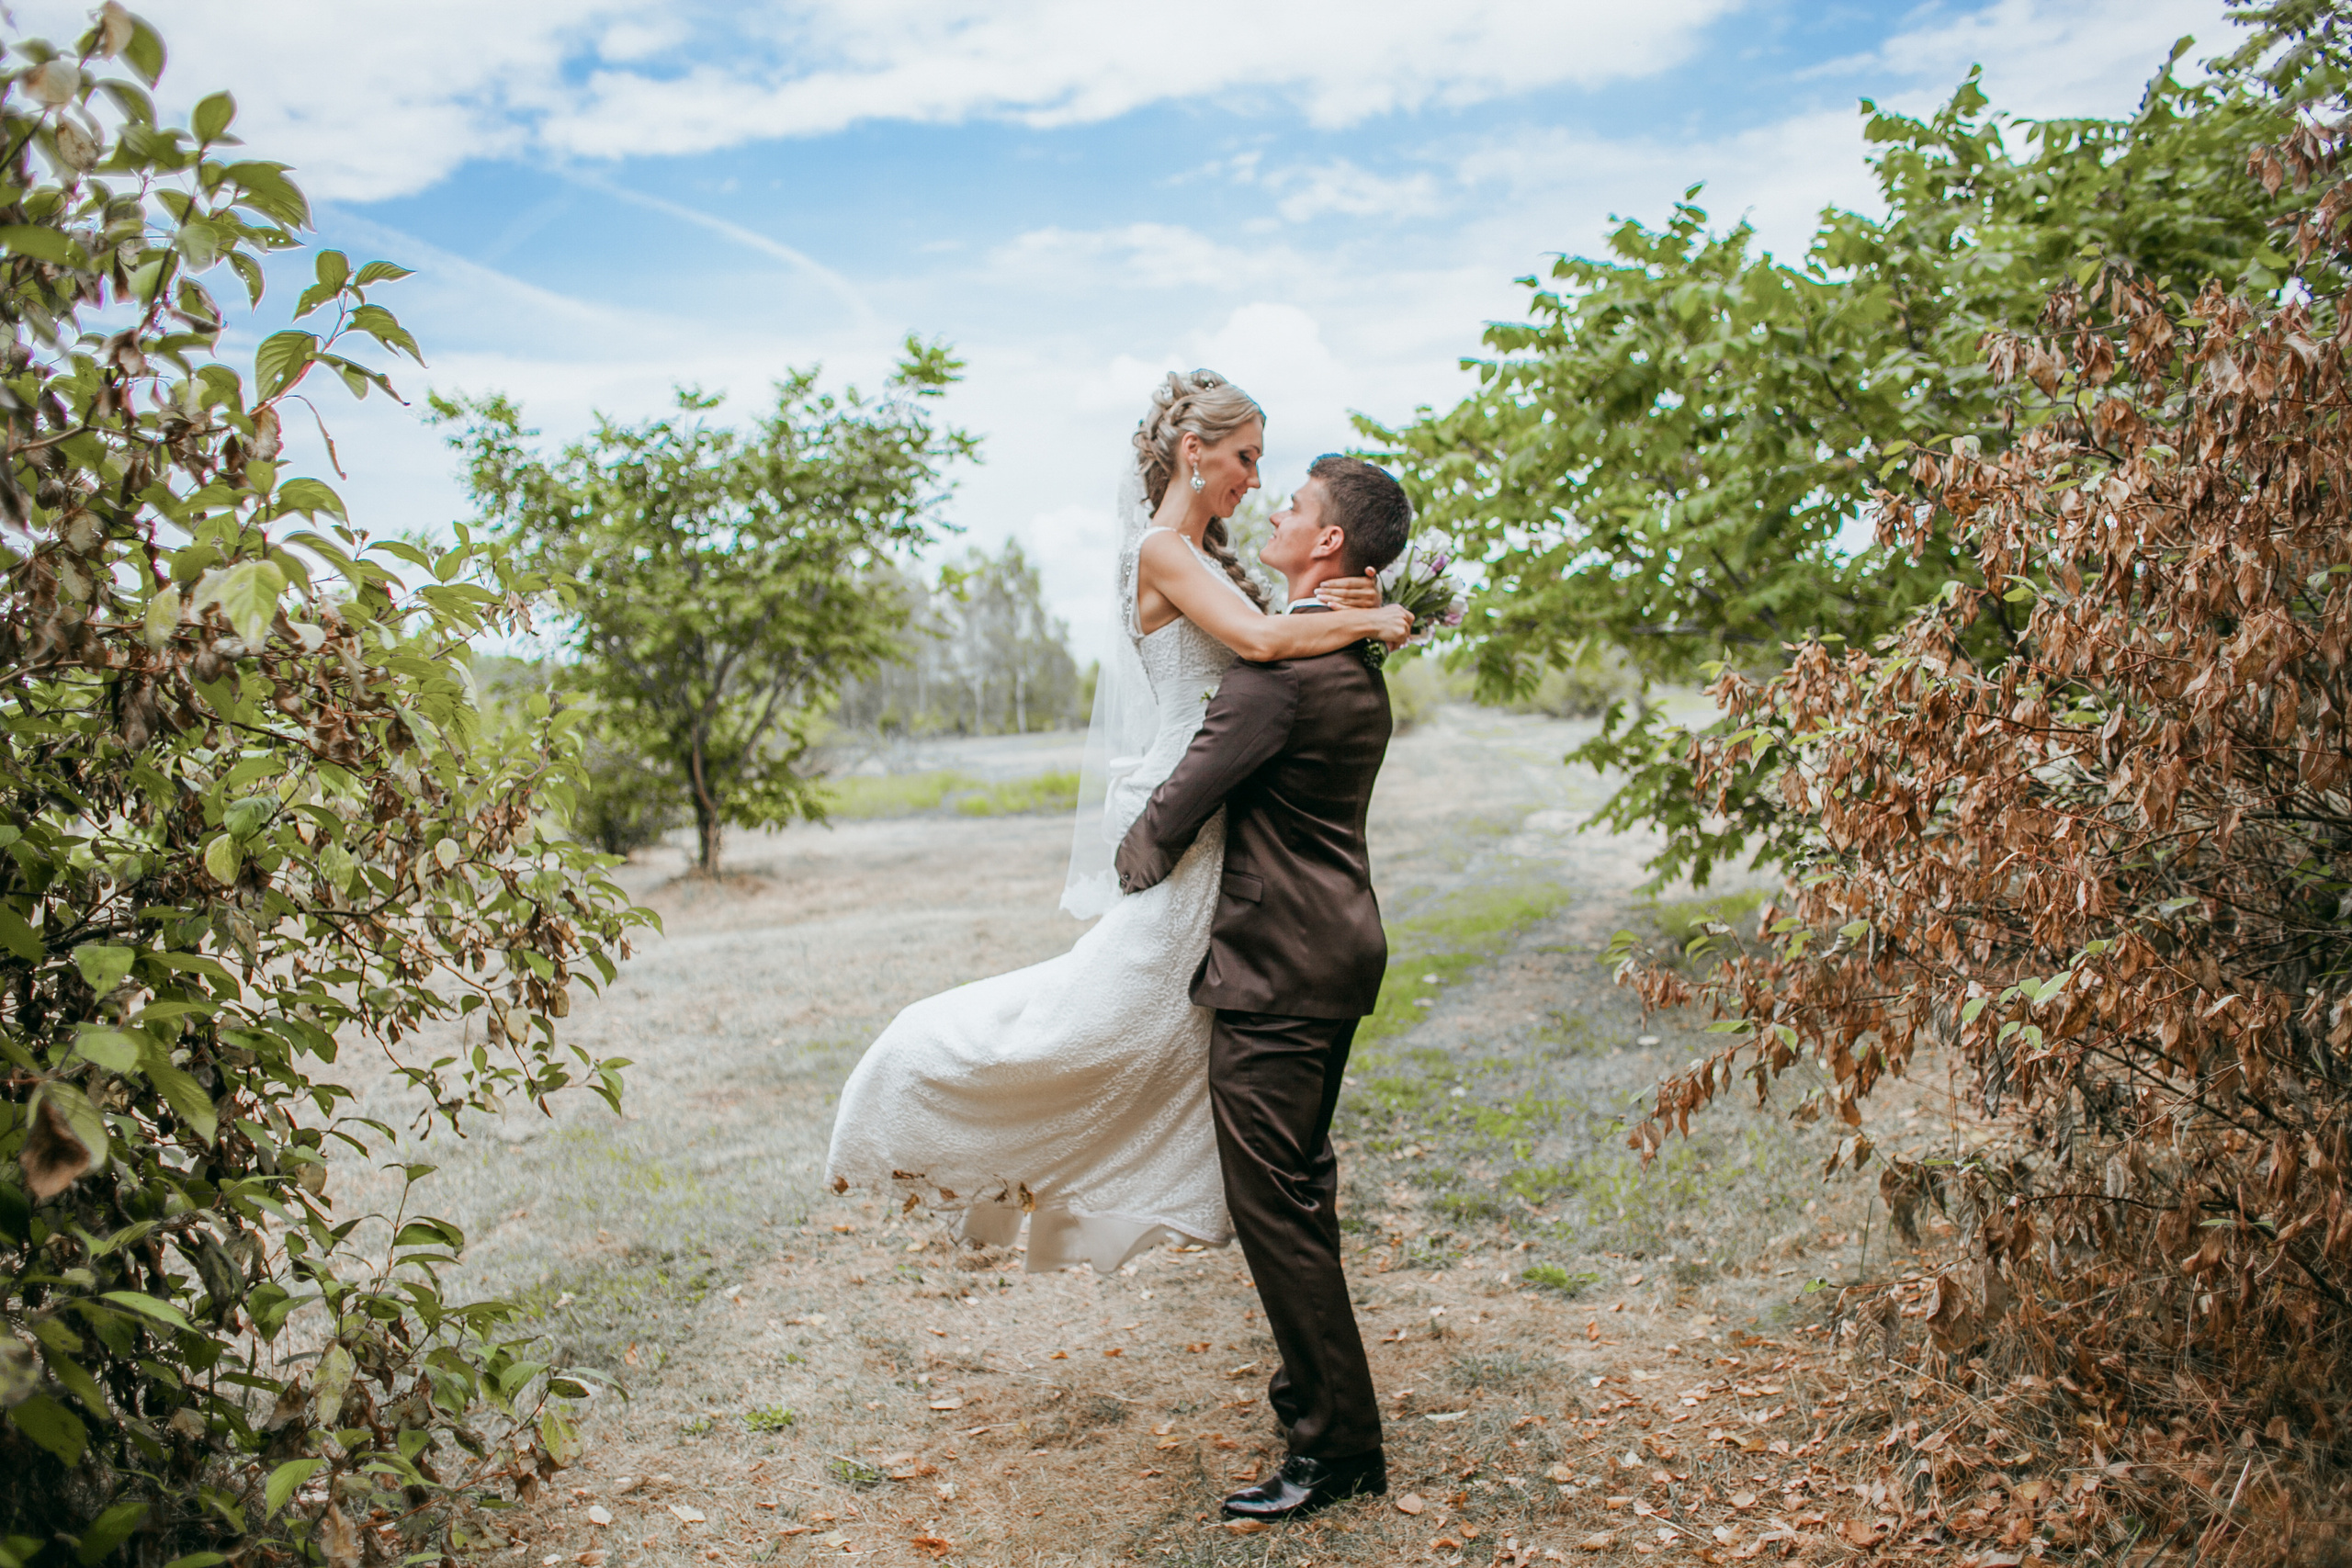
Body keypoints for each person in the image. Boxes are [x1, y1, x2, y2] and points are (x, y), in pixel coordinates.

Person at [823, 370, 1411, 1274]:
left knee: (1170, 1028)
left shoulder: (1209, 561)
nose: (1256, 478)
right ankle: (917, 1074)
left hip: (1223, 822)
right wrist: (1380, 618)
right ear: (1194, 452)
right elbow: (1263, 645)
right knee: (1093, 1014)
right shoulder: (1162, 551)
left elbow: (1281, 644)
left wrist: (1349, 612)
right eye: (1246, 457)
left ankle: (1199, 1188)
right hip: (1188, 809)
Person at [1114, 453, 1410, 1521]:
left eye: (1293, 505)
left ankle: (1335, 1449)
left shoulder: (1278, 672)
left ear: (1328, 542)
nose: (1275, 509)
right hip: (1332, 951)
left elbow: (1177, 808)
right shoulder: (1350, 656)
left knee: (1276, 1207)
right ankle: (1322, 1412)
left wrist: (1134, 857)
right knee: (1300, 1194)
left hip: (1277, 969)